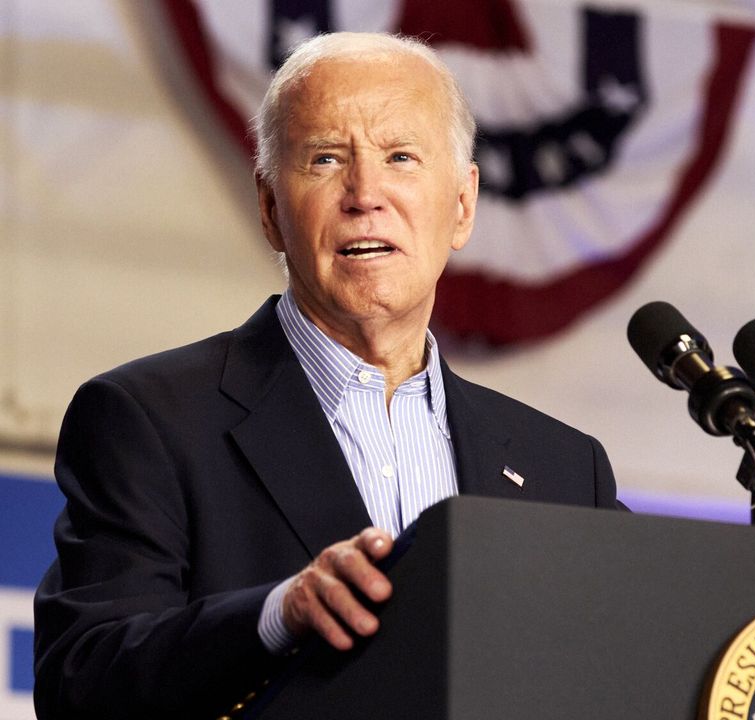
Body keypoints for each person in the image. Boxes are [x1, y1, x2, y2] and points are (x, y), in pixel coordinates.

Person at [33, 32, 622, 719]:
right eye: (325, 159)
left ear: (462, 205)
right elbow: (84, 681)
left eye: (401, 157)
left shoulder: (564, 468)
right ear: (269, 209)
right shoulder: (149, 420)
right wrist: (278, 616)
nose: (364, 194)